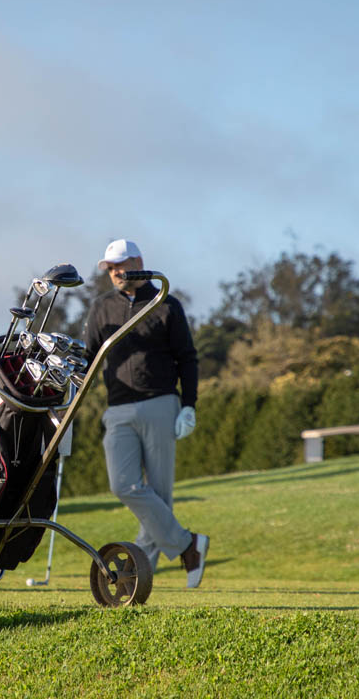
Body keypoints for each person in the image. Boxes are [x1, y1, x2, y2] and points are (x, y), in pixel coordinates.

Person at [82, 239, 209, 588]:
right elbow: (87, 359)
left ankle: (135, 579)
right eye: (110, 268)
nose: (115, 273)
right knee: (123, 485)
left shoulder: (166, 304)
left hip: (161, 404)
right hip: (117, 408)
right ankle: (188, 545)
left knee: (159, 496)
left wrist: (189, 405)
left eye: (120, 265)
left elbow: (187, 357)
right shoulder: (101, 307)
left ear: (139, 262)